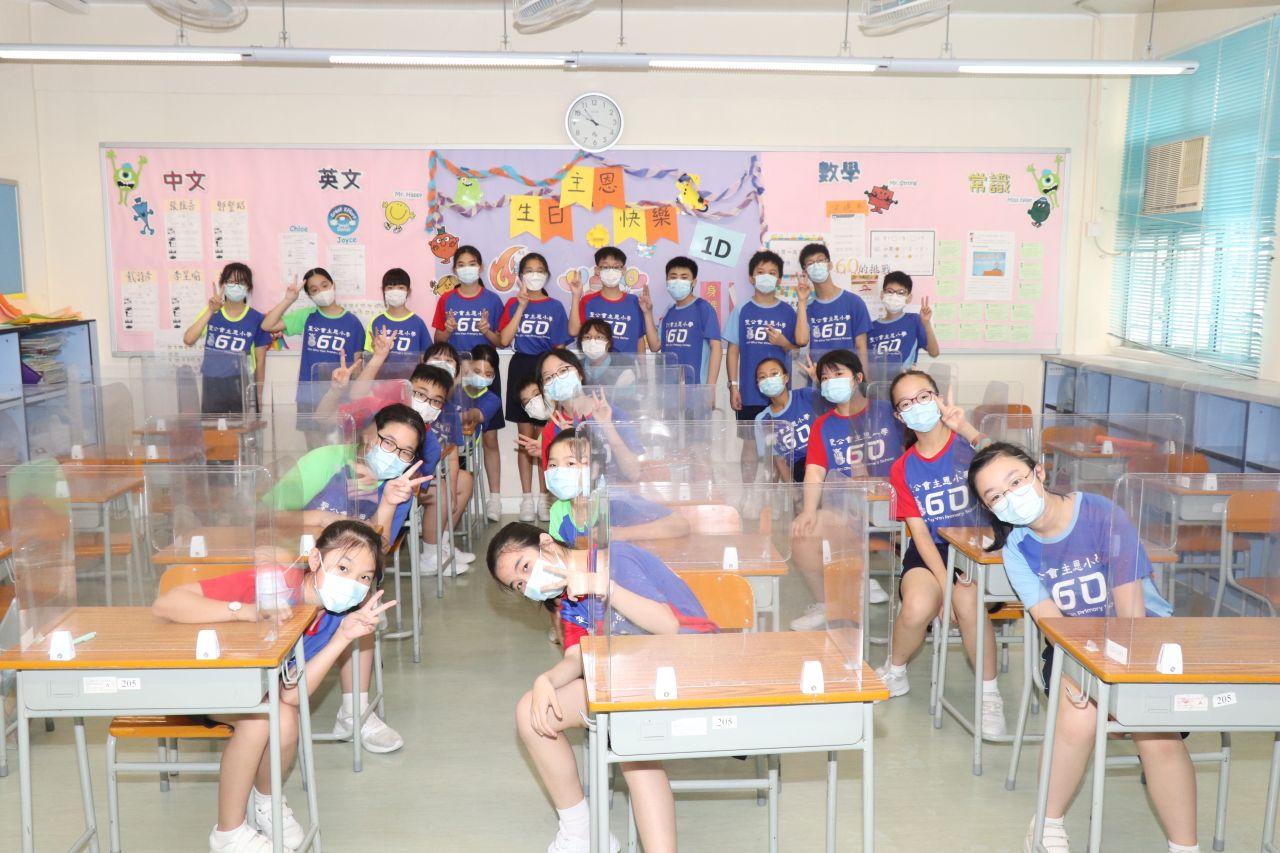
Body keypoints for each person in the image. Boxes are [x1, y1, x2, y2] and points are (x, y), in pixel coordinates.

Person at [967, 442, 1196, 853]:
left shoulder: (1101, 513)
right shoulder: (1017, 549)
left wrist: (1121, 677)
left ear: (1039, 472)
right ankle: (1047, 823)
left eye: (1015, 482)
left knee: (1155, 732)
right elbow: (1052, 622)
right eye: (995, 496)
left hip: (1141, 634)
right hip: (1075, 645)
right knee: (1079, 712)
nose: (1009, 497)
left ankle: (1185, 846)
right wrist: (1079, 670)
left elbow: (1131, 609)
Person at [152, 520, 396, 853]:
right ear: (315, 560)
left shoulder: (338, 616)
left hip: (255, 691)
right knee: (260, 719)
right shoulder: (275, 584)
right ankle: (228, 834)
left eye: (364, 577)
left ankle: (267, 803)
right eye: (343, 568)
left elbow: (292, 695)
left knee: (283, 718)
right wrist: (246, 612)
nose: (352, 583)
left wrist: (342, 638)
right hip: (201, 678)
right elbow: (167, 603)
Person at [487, 522, 717, 853]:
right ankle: (580, 831)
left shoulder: (615, 560)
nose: (527, 583)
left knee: (628, 741)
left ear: (546, 543)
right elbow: (576, 658)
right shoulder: (568, 599)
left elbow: (667, 626)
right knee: (531, 711)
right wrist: (545, 680)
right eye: (519, 584)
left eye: (525, 566)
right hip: (633, 679)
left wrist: (603, 586)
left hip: (692, 665)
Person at [261, 403, 432, 751]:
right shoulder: (325, 461)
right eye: (388, 442)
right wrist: (319, 520)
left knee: (362, 599)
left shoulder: (399, 486)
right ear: (369, 434)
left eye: (405, 451)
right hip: (290, 565)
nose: (394, 455)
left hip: (339, 575)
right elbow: (268, 515)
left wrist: (388, 501)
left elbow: (377, 550)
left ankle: (355, 711)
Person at [880, 369, 1007, 736]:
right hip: (932, 551)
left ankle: (989, 695)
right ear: (899, 416)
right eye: (906, 403)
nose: (917, 406)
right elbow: (919, 534)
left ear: (938, 398)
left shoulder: (967, 446)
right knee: (917, 605)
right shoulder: (903, 468)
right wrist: (943, 588)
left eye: (924, 396)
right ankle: (896, 671)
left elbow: (1007, 464)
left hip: (978, 550)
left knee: (968, 601)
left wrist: (965, 428)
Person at [790, 349, 899, 627]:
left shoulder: (888, 412)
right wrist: (809, 511)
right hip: (848, 513)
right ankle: (826, 604)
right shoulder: (823, 426)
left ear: (858, 377)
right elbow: (815, 471)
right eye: (825, 378)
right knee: (803, 534)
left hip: (895, 512)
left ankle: (867, 580)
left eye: (838, 374)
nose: (831, 381)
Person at [499, 252, 572, 524]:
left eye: (539, 270)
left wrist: (554, 378)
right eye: (529, 270)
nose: (534, 275)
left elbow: (560, 347)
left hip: (545, 369)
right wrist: (521, 307)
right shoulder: (512, 303)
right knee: (524, 437)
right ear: (520, 276)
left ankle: (545, 497)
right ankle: (526, 498)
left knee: (545, 438)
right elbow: (504, 339)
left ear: (547, 275)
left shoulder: (555, 307)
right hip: (520, 367)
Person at [725, 250, 810, 482]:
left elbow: (797, 351)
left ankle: (775, 495)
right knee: (750, 443)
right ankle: (748, 495)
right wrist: (733, 386)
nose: (766, 276)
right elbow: (732, 350)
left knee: (778, 447)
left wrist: (784, 343)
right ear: (751, 278)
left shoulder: (788, 312)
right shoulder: (742, 309)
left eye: (772, 273)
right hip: (749, 392)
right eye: (760, 272)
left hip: (780, 394)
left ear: (779, 280)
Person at [543, 428, 688, 547]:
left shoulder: (616, 502)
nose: (559, 472)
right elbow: (559, 557)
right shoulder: (558, 510)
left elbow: (680, 524)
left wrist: (622, 533)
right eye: (553, 465)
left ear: (594, 469)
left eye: (570, 463)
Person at [261, 267, 371, 424]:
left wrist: (356, 397)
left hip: (340, 394)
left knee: (339, 438)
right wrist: (289, 299)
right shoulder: (307, 316)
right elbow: (267, 325)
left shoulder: (353, 323)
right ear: (310, 296)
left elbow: (357, 366)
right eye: (314, 290)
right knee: (312, 439)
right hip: (309, 394)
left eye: (324, 285)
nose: (321, 291)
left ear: (333, 285)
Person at [183, 262, 271, 415]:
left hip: (241, 382)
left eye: (241, 282)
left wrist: (258, 395)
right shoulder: (212, 313)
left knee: (240, 428)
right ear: (222, 284)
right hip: (212, 381)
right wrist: (210, 311)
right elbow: (188, 339)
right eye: (231, 281)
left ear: (248, 287)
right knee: (213, 428)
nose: (235, 286)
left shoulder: (257, 319)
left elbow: (261, 362)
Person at [645, 255, 722, 385]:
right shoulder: (669, 311)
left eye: (684, 277)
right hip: (669, 386)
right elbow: (655, 346)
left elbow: (716, 348)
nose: (678, 281)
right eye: (673, 277)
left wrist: (710, 387)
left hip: (696, 386)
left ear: (694, 282)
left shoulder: (703, 308)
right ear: (667, 280)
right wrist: (647, 312)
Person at [797, 243, 870, 366]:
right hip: (818, 374)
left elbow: (861, 347)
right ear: (805, 271)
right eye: (810, 263)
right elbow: (801, 341)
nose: (816, 265)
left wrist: (862, 378)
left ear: (829, 264)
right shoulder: (805, 307)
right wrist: (802, 302)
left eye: (820, 260)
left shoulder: (854, 302)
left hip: (848, 374)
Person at [751, 356, 820, 485]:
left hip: (824, 462)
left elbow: (833, 408)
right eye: (762, 377)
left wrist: (817, 381)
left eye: (774, 374)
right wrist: (792, 491)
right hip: (799, 473)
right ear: (758, 385)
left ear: (785, 378)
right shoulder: (763, 419)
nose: (769, 379)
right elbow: (777, 460)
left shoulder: (805, 395)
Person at [456, 343, 505, 520]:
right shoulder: (454, 389)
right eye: (477, 371)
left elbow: (475, 415)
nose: (482, 377)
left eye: (488, 374)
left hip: (463, 451)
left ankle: (494, 500)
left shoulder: (491, 399)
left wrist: (457, 416)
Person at [568, 246, 647, 353]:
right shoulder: (588, 301)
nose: (610, 271)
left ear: (623, 270)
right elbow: (573, 331)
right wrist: (576, 296)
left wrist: (642, 364)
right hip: (595, 361)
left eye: (616, 267)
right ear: (597, 270)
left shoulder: (634, 302)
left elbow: (639, 339)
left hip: (626, 363)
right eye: (605, 267)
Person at [867, 271, 939, 376]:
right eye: (890, 291)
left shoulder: (914, 320)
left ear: (909, 298)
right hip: (878, 383)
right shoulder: (871, 327)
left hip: (905, 382)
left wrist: (926, 324)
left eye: (901, 293)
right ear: (882, 295)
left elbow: (934, 353)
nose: (894, 296)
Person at [369, 267, 430, 371]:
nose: (395, 292)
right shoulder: (376, 322)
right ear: (383, 290)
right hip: (381, 378)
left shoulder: (418, 323)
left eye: (401, 287)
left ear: (408, 291)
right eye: (390, 288)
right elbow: (368, 356)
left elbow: (426, 357)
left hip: (410, 378)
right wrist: (374, 349)